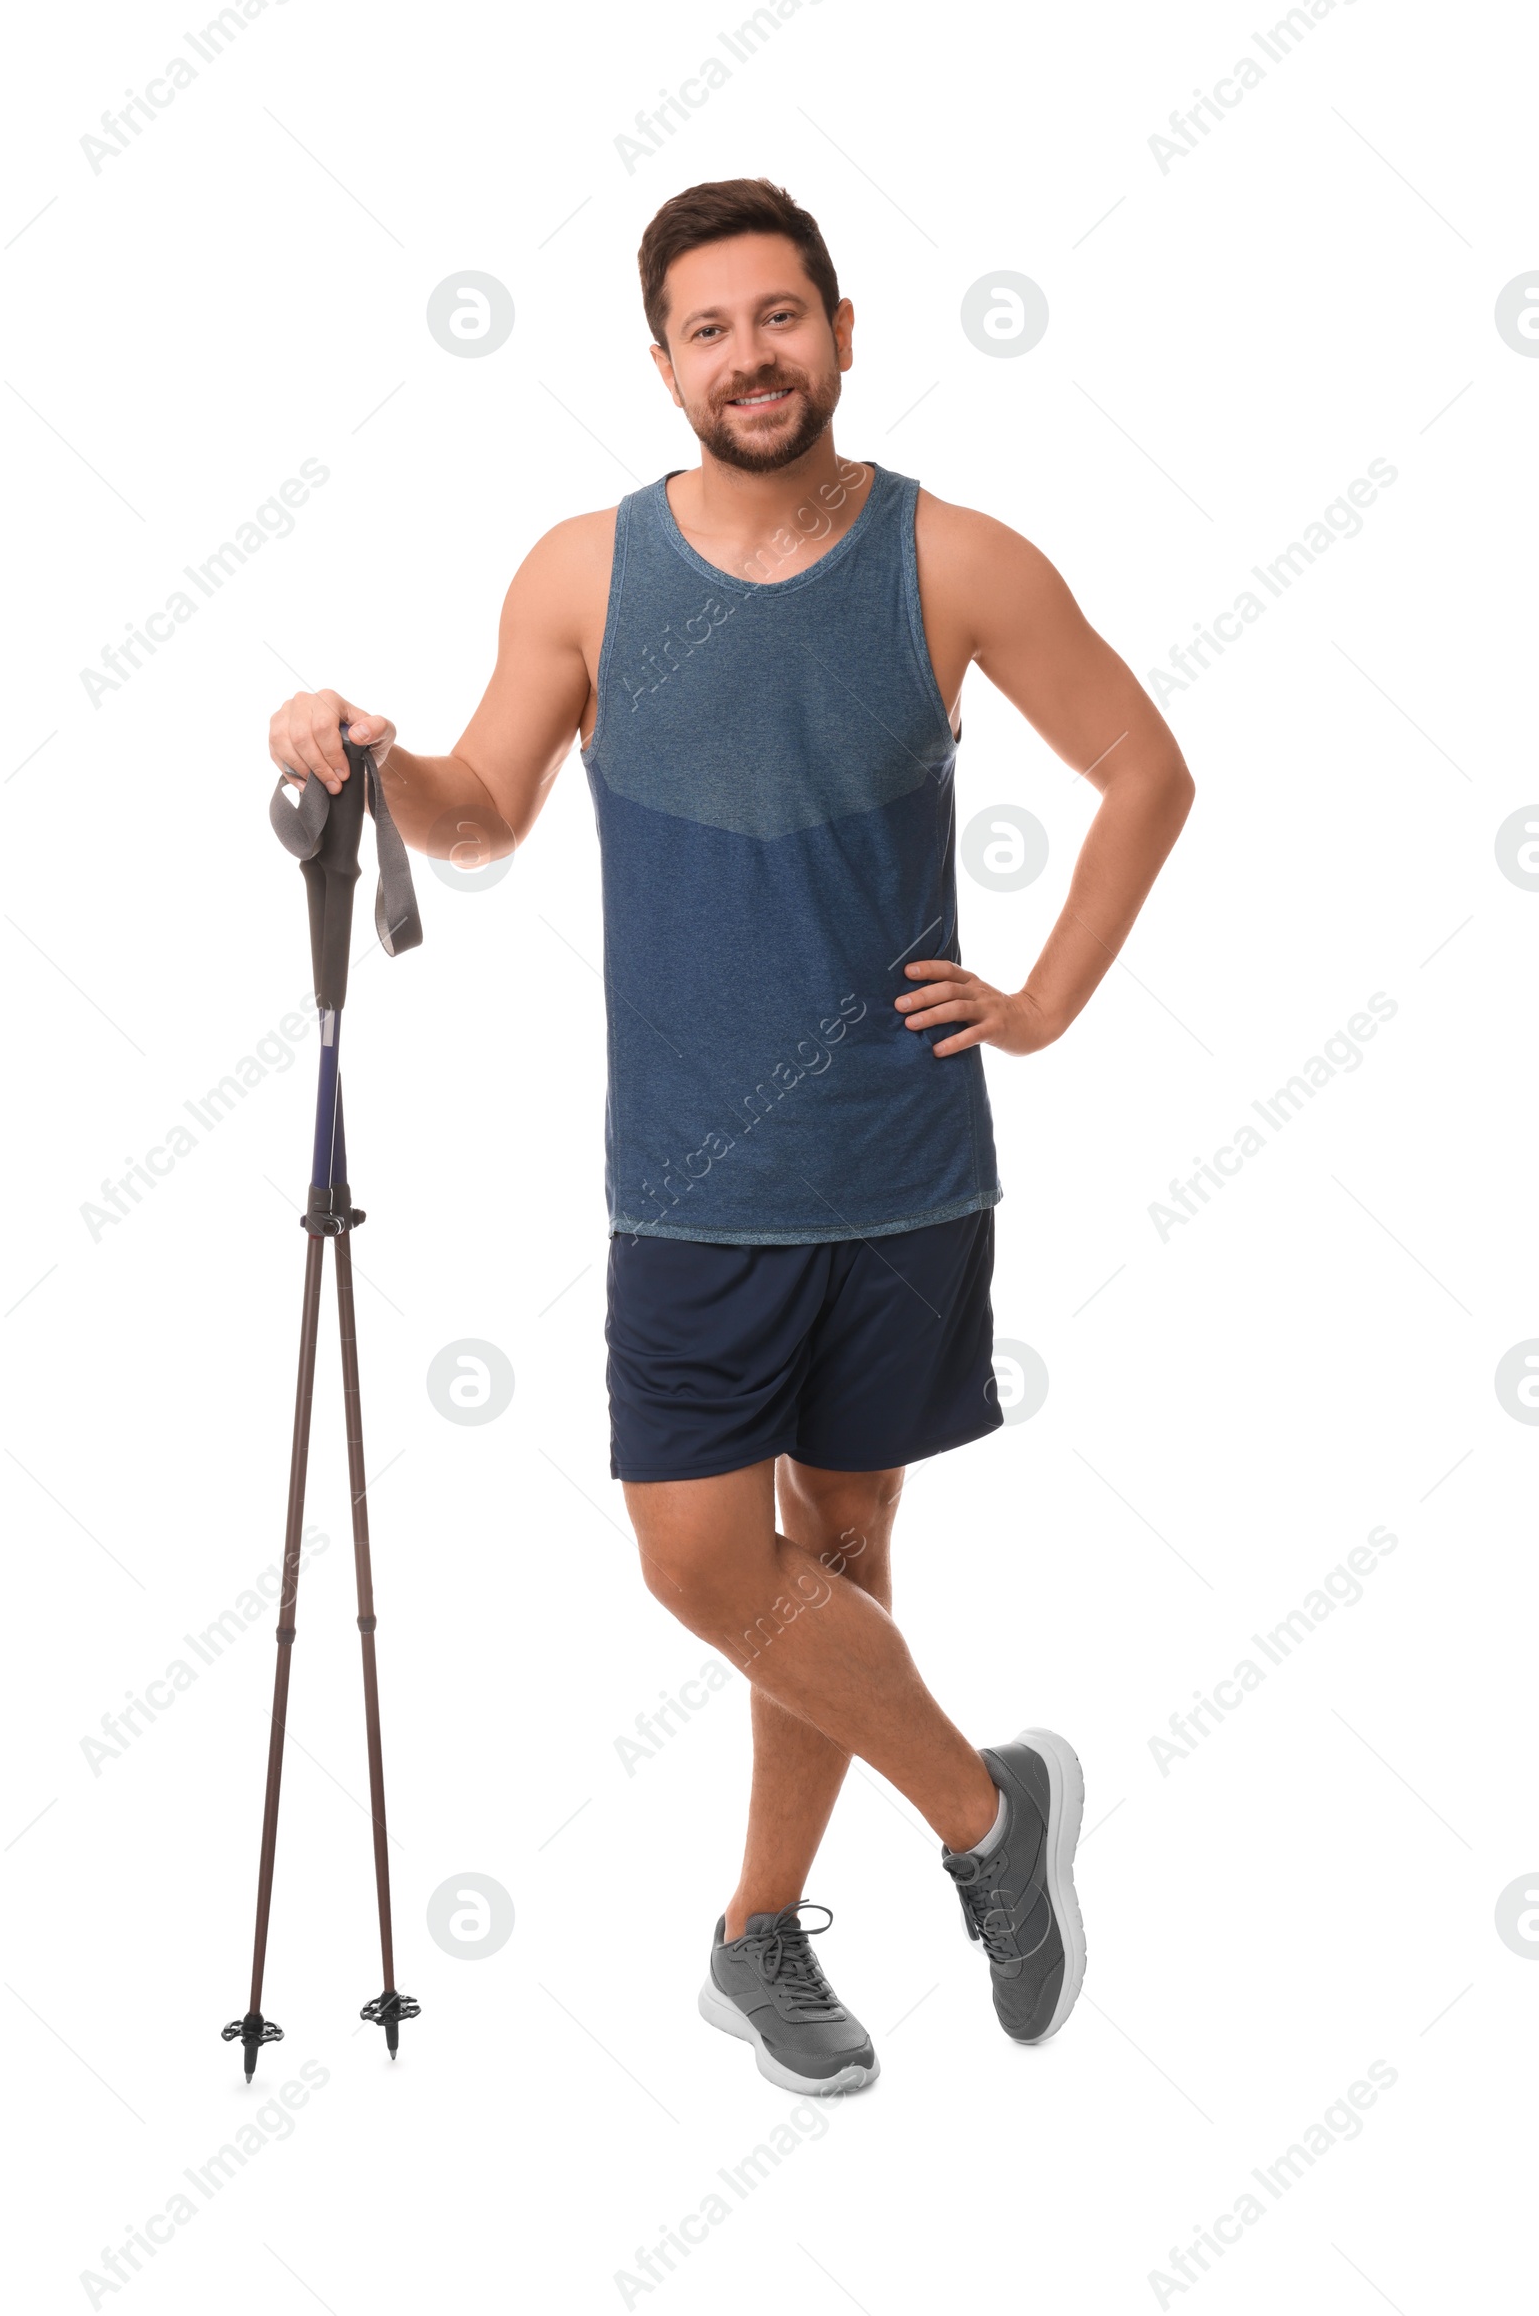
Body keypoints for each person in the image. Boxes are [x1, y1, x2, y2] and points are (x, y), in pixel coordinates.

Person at [268, 176, 1194, 2096]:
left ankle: (756, 1938)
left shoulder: (954, 560)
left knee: (837, 1575)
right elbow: (478, 814)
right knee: (709, 1564)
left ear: (842, 332)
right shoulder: (583, 576)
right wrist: (369, 750)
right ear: (665, 361)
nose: (750, 356)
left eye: (781, 318)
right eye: (710, 328)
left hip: (902, 1168)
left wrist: (1043, 1002)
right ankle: (987, 1813)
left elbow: (1144, 770)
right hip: (689, 1180)